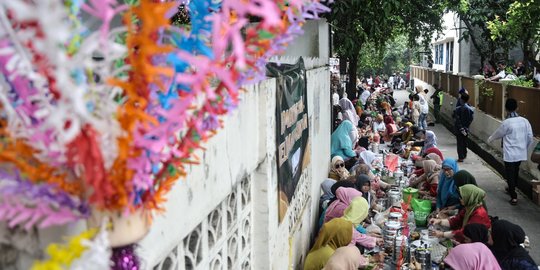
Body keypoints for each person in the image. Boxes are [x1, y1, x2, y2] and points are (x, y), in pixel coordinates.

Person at [487, 98, 533, 205]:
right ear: (517, 108)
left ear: (506, 109)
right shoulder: (525, 121)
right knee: (515, 171)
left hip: (510, 153)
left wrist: (490, 139)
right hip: (520, 152)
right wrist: (524, 147)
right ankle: (512, 188)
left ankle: (514, 196)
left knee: (510, 174)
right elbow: (530, 137)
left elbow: (498, 134)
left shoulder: (507, 122)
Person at [453, 93, 474, 162]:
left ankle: (461, 157)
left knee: (459, 143)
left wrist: (461, 128)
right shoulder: (470, 109)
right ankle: (464, 155)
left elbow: (457, 120)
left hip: (459, 129)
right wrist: (466, 127)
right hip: (466, 128)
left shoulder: (458, 109)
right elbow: (471, 119)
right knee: (464, 142)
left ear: (461, 99)